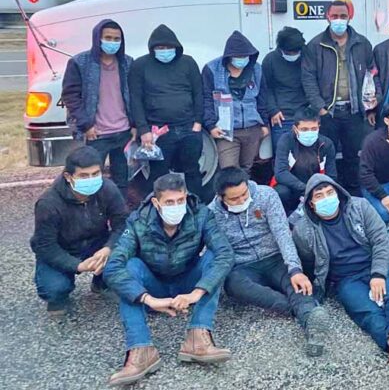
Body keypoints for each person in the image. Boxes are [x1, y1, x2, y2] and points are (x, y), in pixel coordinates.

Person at [292, 174, 389, 378]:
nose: (326, 198)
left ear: (338, 194)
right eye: (319, 196)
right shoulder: (303, 230)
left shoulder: (360, 207)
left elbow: (381, 240)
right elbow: (307, 261)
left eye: (330, 192)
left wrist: (378, 274)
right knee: (367, 312)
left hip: (376, 264)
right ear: (311, 204)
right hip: (346, 279)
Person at [103, 173, 234, 386]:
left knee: (213, 258)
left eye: (180, 200)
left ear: (186, 196)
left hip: (188, 282)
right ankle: (141, 349)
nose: (176, 206)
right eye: (169, 202)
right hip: (153, 287)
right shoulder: (138, 221)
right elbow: (112, 266)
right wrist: (148, 299)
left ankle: (198, 337)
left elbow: (225, 254)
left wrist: (197, 293)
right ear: (157, 203)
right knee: (130, 266)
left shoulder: (201, 215)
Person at [209, 167, 330, 355]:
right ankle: (297, 307)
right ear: (220, 197)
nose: (241, 200)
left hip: (275, 257)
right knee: (233, 284)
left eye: (244, 194)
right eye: (234, 199)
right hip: (243, 265)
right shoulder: (212, 213)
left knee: (296, 283)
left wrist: (295, 269)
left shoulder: (266, 195)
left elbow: (282, 233)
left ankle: (311, 325)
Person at [30, 146, 128, 316]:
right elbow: (45, 245)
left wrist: (109, 248)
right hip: (62, 248)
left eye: (95, 174)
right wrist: (78, 266)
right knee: (55, 288)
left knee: (131, 256)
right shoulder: (48, 203)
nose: (91, 179)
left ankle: (102, 283)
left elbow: (122, 224)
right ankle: (58, 297)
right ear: (68, 177)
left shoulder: (108, 189)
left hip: (97, 244)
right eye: (84, 176)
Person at [302, 0, 376, 195]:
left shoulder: (362, 43)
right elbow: (308, 79)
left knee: (353, 157)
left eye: (343, 16)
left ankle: (353, 195)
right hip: (328, 113)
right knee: (326, 156)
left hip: (354, 111)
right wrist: (320, 108)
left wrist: (370, 107)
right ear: (327, 17)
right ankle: (327, 193)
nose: (339, 20)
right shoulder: (315, 45)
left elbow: (372, 75)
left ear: (349, 17)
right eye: (334, 16)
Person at [128, 24, 204, 197]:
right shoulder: (140, 65)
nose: (165, 51)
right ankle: (156, 208)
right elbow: (135, 99)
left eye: (168, 47)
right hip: (158, 131)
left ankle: (196, 206)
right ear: (152, 48)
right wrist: (143, 129)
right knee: (158, 174)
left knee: (192, 171)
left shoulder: (188, 62)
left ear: (176, 47)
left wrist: (198, 123)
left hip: (189, 128)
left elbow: (198, 93)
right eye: (160, 48)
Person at [61, 19, 133, 195]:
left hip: (123, 132)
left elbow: (135, 95)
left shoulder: (127, 63)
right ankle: (90, 209)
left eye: (116, 39)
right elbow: (70, 96)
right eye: (108, 38)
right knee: (90, 178)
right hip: (96, 133)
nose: (112, 42)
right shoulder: (80, 62)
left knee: (122, 179)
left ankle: (119, 210)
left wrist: (135, 124)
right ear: (97, 38)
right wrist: (86, 125)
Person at [202, 31, 269, 171]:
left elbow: (262, 98)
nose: (242, 59)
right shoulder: (212, 69)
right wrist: (211, 125)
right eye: (238, 56)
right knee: (229, 170)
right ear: (229, 56)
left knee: (246, 168)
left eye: (245, 56)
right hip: (225, 131)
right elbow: (207, 99)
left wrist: (264, 123)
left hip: (252, 128)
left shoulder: (256, 69)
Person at [274, 107, 338, 216]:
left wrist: (319, 190)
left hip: (317, 187)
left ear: (319, 127)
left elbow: (331, 175)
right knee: (281, 192)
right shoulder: (286, 140)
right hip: (293, 186)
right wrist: (305, 188)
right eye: (304, 129)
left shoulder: (327, 144)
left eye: (313, 129)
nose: (309, 132)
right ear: (295, 128)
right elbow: (280, 173)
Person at [262, 26, 308, 153]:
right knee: (282, 154)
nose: (293, 55)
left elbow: (313, 83)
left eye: (296, 52)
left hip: (305, 114)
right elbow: (266, 88)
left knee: (307, 154)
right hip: (281, 117)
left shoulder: (307, 57)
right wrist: (273, 110)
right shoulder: (270, 60)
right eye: (289, 53)